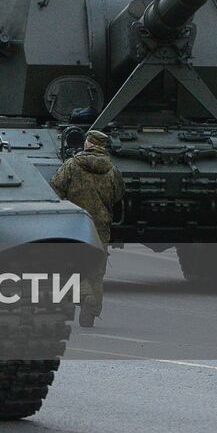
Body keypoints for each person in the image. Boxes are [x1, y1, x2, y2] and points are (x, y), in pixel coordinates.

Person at [49, 129, 124, 328]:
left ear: (88, 144)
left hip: (74, 224)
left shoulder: (72, 165)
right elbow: (117, 196)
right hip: (100, 226)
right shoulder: (112, 170)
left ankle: (84, 295)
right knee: (96, 272)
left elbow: (56, 189)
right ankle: (91, 313)